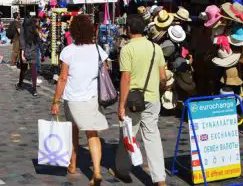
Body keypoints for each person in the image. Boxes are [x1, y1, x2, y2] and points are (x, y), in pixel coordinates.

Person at [51, 14, 108, 184]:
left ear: (73, 31)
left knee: (73, 131)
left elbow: (62, 78)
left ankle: (73, 164)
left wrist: (55, 101)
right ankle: (96, 171)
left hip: (73, 98)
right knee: (92, 133)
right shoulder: (98, 50)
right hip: (92, 98)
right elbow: (104, 71)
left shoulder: (68, 51)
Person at [117, 15, 167, 186]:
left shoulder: (127, 49)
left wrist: (121, 105)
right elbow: (162, 77)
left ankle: (123, 170)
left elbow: (125, 79)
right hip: (152, 98)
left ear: (129, 29)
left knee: (128, 135)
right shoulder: (156, 48)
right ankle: (160, 179)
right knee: (153, 137)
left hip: (133, 101)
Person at [17, 15, 40, 96]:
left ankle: (20, 84)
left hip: (26, 51)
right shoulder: (34, 27)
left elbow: (22, 40)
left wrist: (22, 53)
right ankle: (34, 90)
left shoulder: (23, 27)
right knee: (33, 70)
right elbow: (38, 40)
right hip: (33, 51)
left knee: (23, 69)